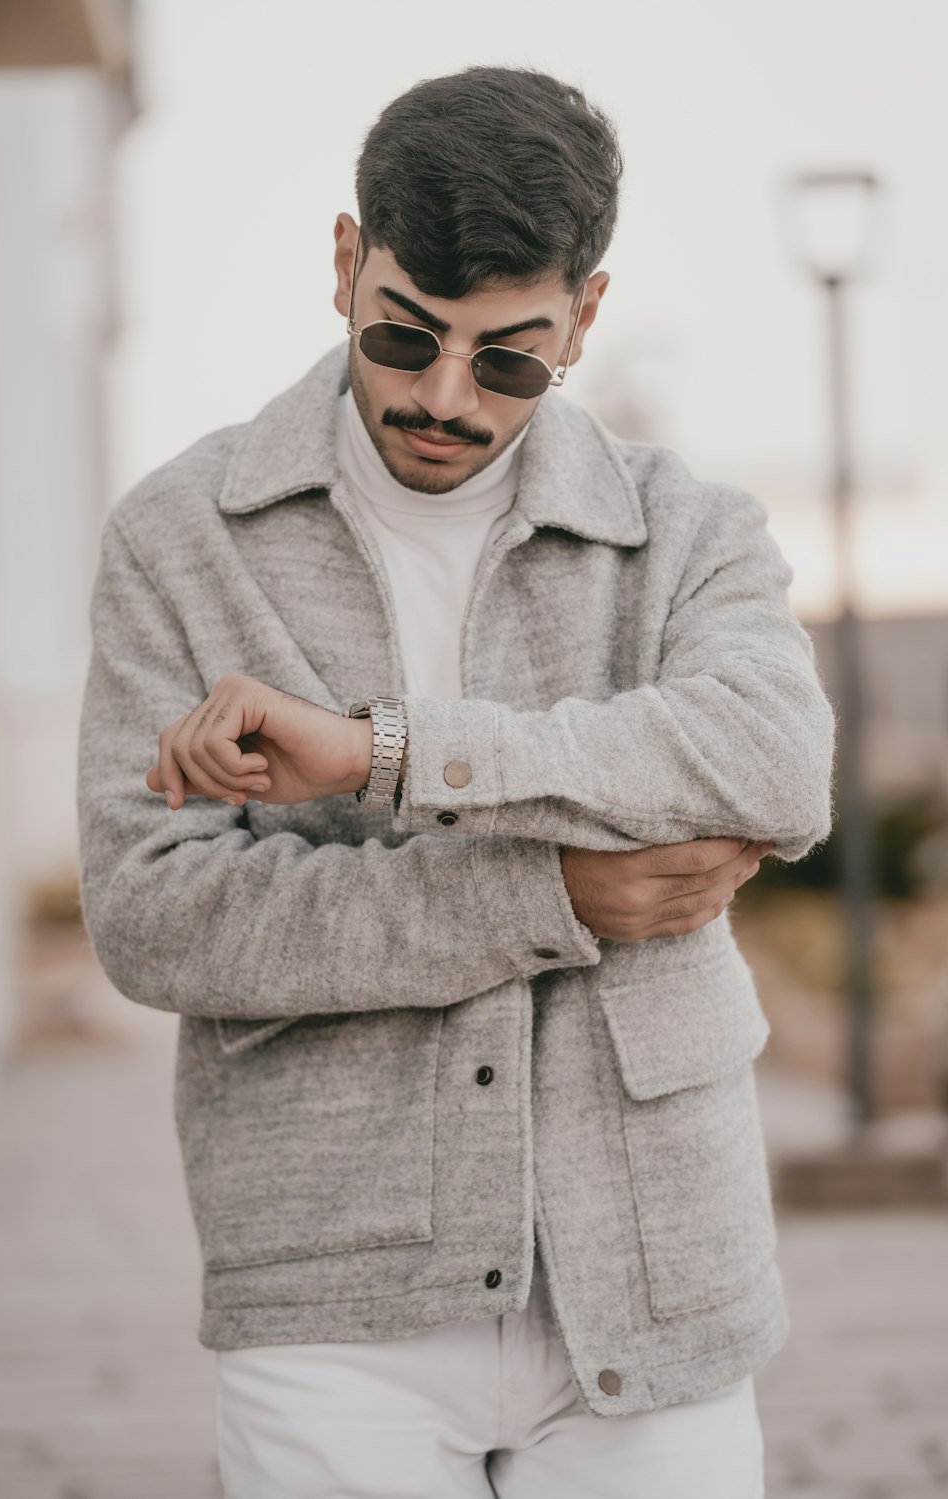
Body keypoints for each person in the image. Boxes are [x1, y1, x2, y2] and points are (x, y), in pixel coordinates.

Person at [76, 65, 835, 1498]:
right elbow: (155, 917)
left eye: (509, 361)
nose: (442, 397)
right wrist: (560, 891)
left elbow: (777, 763)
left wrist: (386, 752)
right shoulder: (182, 537)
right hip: (331, 1275)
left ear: (587, 317)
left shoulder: (688, 531)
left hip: (656, 1275)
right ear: (348, 258)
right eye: (404, 335)